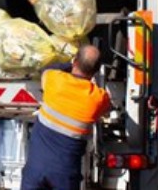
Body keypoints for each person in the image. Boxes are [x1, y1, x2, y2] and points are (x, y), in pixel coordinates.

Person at [21, 45, 110, 190]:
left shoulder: (54, 79)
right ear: (95, 71)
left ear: (75, 62)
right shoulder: (98, 98)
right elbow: (107, 110)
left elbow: (47, 69)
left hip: (35, 171)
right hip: (64, 177)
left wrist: (70, 64)